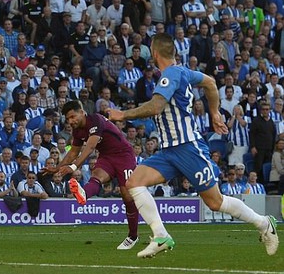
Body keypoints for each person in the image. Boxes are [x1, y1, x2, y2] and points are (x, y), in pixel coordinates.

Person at [107, 33, 278, 258]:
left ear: (155, 52)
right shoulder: (182, 72)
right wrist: (214, 112)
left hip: (188, 148)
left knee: (215, 202)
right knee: (134, 183)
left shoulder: (170, 75)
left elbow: (156, 106)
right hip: (169, 151)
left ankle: (264, 223)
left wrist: (123, 114)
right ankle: (160, 235)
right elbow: (209, 82)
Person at [43, 100, 140, 250]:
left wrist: (74, 166)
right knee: (97, 176)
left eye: (73, 117)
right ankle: (83, 193)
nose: (70, 121)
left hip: (124, 156)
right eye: (68, 119)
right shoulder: (77, 131)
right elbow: (73, 152)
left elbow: (90, 147)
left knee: (127, 195)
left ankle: (133, 236)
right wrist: (57, 168)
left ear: (82, 112)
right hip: (107, 156)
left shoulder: (96, 120)